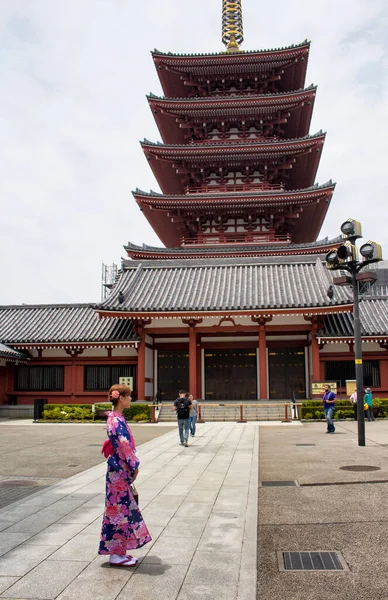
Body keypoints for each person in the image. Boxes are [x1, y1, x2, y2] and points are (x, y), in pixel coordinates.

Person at [99, 384, 152, 566]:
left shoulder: (116, 418)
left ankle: (119, 552)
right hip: (119, 471)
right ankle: (115, 554)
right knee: (118, 512)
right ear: (120, 398)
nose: (131, 399)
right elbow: (124, 445)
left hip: (118, 470)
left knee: (121, 510)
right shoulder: (115, 420)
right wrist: (134, 464)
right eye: (129, 396)